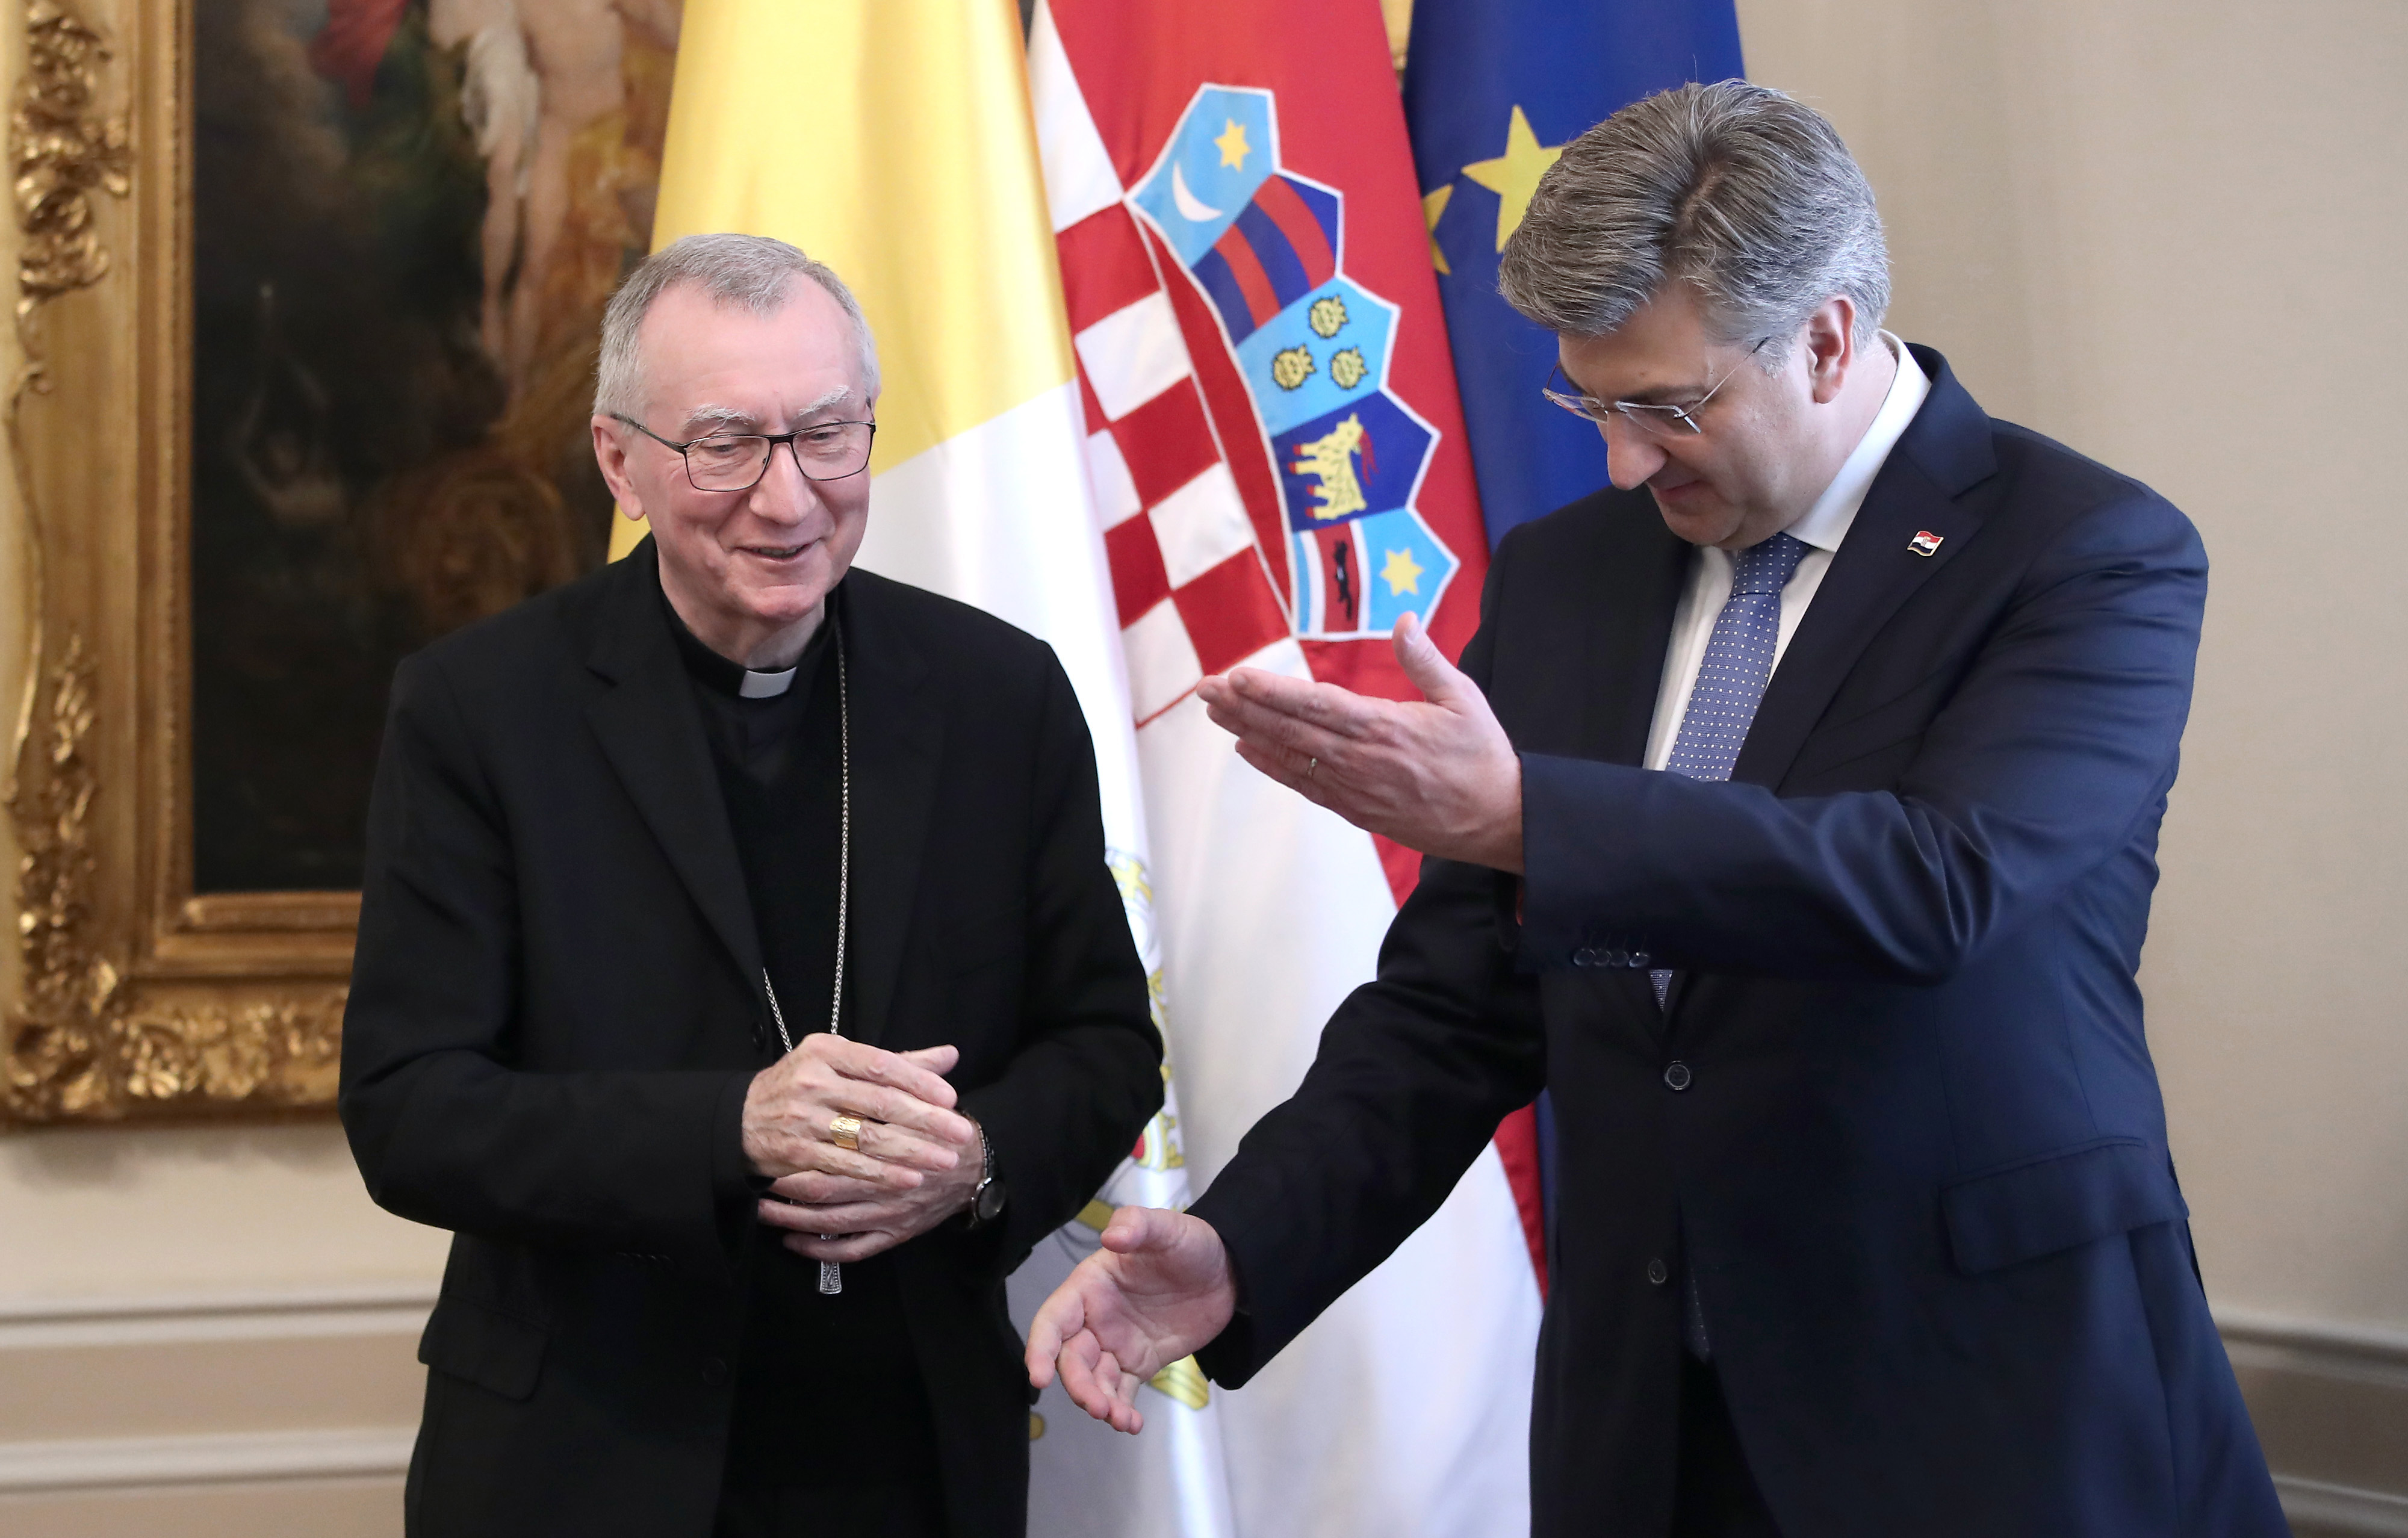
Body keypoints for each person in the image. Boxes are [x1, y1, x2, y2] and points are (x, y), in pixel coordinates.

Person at [1027, 82, 2286, 1537]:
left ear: (1822, 337)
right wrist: (1245, 1245)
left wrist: (1528, 823)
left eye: (1667, 408)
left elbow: (1942, 886)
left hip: (1981, 1405)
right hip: (1649, 1426)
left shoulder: (2081, 552)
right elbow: (1457, 1005)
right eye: (1591, 404)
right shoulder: (1572, 574)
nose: (1623, 462)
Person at [342, 232, 1164, 1538]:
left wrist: (978, 1163)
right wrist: (730, 1129)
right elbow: (409, 1109)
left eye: (826, 435)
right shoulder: (482, 712)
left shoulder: (994, 697)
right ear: (621, 462)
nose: (787, 500)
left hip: (909, 1460)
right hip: (584, 1458)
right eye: (725, 444)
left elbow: (1107, 1045)